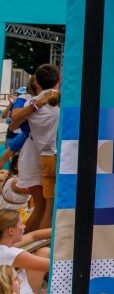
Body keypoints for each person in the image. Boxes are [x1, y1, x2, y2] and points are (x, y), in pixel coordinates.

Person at [7, 65, 60, 233]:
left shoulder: (29, 102)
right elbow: (14, 121)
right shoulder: (60, 100)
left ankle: (22, 243)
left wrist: (35, 105)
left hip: (36, 154)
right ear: (59, 81)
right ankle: (36, 246)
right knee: (47, 207)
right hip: (49, 156)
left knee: (41, 207)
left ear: (36, 82)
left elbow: (13, 123)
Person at [0, 210, 50, 294]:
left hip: (9, 293)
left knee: (45, 252)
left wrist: (63, 230)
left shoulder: (3, 247)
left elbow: (33, 236)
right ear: (11, 231)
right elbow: (55, 266)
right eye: (21, 224)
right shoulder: (11, 254)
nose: (24, 226)